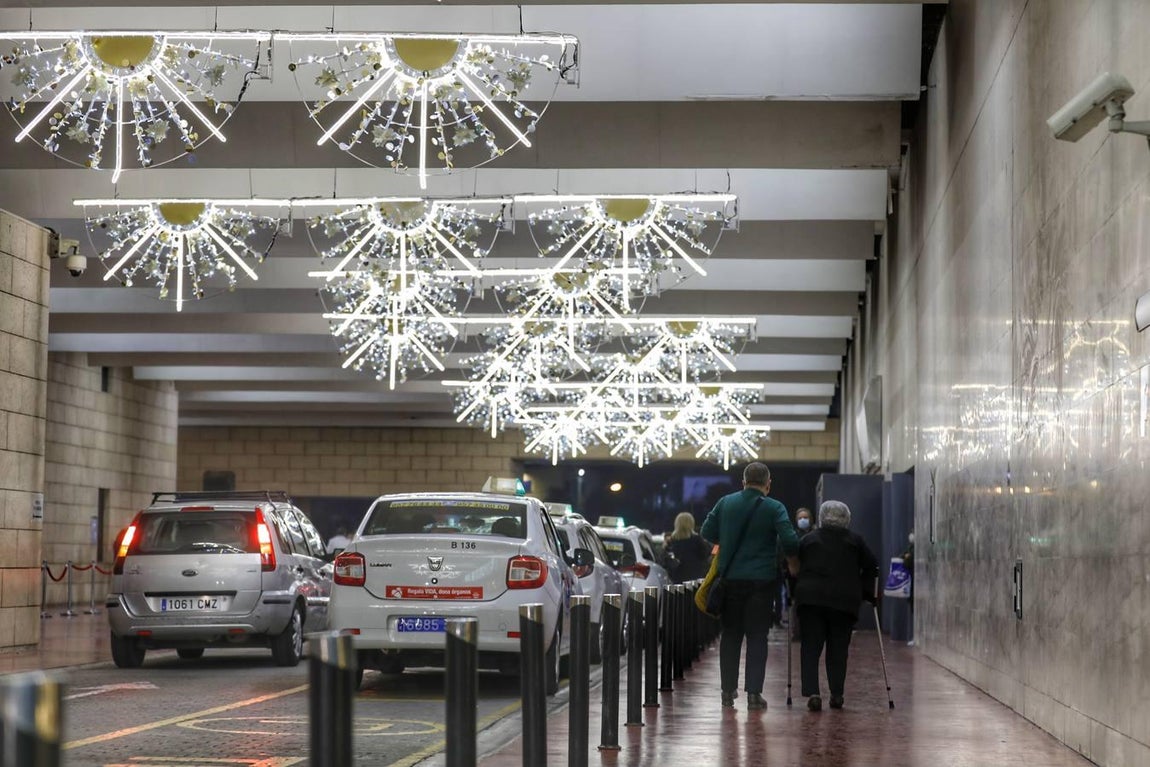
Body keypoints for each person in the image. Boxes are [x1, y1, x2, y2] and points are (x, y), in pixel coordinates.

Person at [700, 462, 799, 711]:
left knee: (731, 635)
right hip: (761, 583)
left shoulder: (725, 503)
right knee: (757, 636)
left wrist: (729, 540)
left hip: (730, 580)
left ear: (743, 482)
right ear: (768, 484)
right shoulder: (775, 507)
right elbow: (790, 541)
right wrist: (789, 559)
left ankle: (726, 692)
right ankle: (754, 694)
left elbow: (706, 531)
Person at [794, 500, 879, 712]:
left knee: (811, 647)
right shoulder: (855, 541)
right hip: (844, 602)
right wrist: (868, 594)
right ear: (847, 518)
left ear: (821, 517)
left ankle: (813, 692)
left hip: (811, 600)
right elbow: (872, 566)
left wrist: (794, 591)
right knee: (838, 649)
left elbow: (794, 567)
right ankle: (837, 694)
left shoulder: (808, 540)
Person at [668, 511, 711, 583]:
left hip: (677, 578)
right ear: (691, 524)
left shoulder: (671, 541)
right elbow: (706, 554)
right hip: (696, 577)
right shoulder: (697, 540)